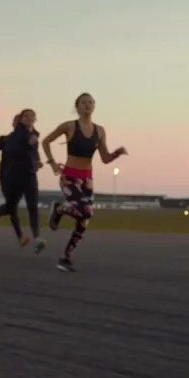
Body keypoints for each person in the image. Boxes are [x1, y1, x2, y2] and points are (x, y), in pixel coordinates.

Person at [42, 93, 127, 273]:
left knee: (84, 221)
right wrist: (52, 163)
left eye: (91, 102)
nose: (88, 105)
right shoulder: (69, 126)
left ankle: (65, 258)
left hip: (87, 181)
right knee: (86, 210)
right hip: (69, 178)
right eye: (84, 102)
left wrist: (116, 154)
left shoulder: (100, 130)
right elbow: (46, 141)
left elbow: (104, 158)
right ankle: (58, 208)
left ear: (94, 106)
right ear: (78, 106)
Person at [0, 109, 47, 252]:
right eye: (20, 119)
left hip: (28, 174)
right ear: (15, 122)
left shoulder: (31, 136)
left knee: (32, 205)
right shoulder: (6, 139)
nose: (20, 122)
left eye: (31, 118)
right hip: (8, 176)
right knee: (11, 207)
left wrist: (37, 162)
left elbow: (33, 152)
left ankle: (36, 237)